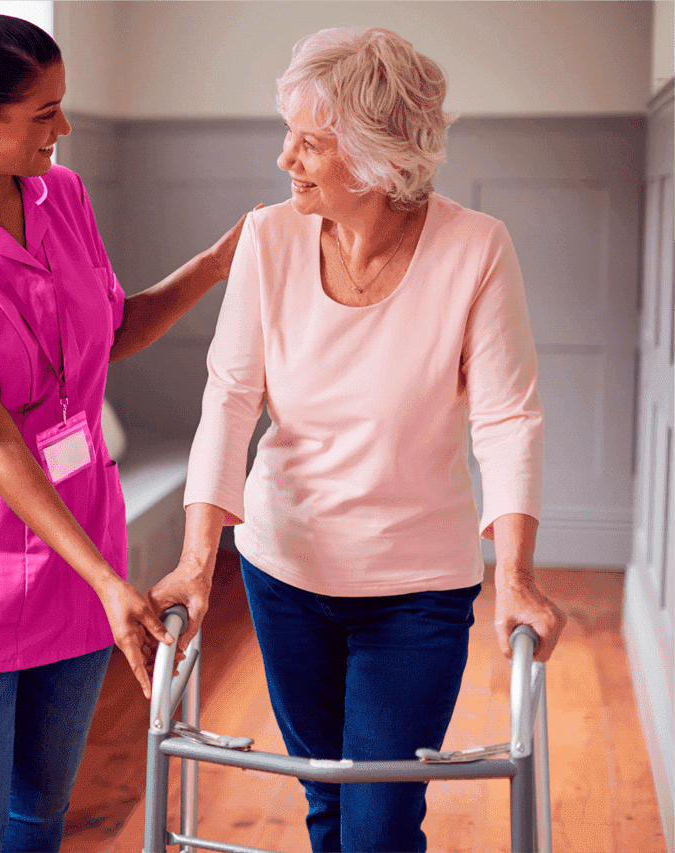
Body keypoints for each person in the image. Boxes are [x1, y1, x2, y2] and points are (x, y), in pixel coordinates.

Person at [148, 27, 568, 853]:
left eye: (309, 143)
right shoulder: (268, 238)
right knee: (325, 800)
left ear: (379, 160)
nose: (284, 159)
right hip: (283, 569)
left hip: (415, 588)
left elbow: (506, 417)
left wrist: (515, 577)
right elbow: (230, 400)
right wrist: (198, 565)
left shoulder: (475, 248)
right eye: (288, 135)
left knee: (377, 823)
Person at [0, 14, 243, 853]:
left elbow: (113, 329)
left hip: (78, 559)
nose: (63, 130)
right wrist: (110, 580)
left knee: (40, 816)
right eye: (44, 114)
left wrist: (213, 265)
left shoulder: (61, 196)